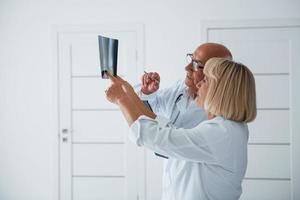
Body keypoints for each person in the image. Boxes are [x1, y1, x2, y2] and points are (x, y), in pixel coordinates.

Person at [105, 57, 257, 200]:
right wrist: (128, 90)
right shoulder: (229, 128)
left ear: (220, 90)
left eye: (205, 80)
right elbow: (165, 128)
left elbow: (154, 136)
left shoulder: (222, 133)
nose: (198, 85)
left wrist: (122, 99)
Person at [136, 43, 232, 159]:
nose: (187, 68)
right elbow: (155, 106)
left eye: (197, 65)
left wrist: (123, 98)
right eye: (191, 59)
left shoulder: (219, 119)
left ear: (218, 74)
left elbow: (166, 141)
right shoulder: (181, 87)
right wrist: (147, 92)